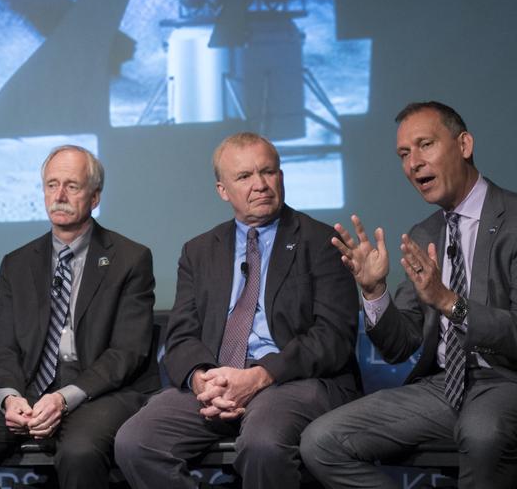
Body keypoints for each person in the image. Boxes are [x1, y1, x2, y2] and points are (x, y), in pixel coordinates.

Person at [300, 101, 517, 488]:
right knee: (321, 441)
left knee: (482, 428)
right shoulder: (426, 234)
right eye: (404, 154)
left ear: (464, 144)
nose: (414, 163)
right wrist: (373, 291)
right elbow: (399, 344)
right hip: (447, 388)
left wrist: (449, 302)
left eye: (425, 145)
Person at [114, 132, 360, 489]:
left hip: (293, 380)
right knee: (136, 442)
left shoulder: (321, 241)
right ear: (222, 190)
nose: (260, 184)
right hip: (217, 383)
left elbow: (333, 338)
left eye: (268, 172)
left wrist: (259, 376)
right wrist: (202, 379)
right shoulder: (198, 251)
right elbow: (181, 335)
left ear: (281, 176)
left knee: (262, 445)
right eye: (244, 177)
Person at [0, 145, 158, 489]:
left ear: (94, 198)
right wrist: (10, 398)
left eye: (72, 186)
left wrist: (65, 398)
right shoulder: (16, 264)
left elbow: (127, 352)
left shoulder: (130, 259)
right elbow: (3, 348)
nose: (59, 195)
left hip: (99, 394)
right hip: (30, 393)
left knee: (79, 452)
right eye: (51, 185)